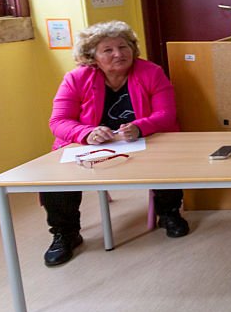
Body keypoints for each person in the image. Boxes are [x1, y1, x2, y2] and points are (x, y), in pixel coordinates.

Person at [45, 21, 188, 266]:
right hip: (88, 146)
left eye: (123, 47)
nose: (118, 54)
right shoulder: (76, 78)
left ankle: (169, 213)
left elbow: (166, 114)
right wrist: (86, 133)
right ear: (92, 57)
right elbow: (58, 121)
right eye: (108, 50)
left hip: (144, 140)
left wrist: (140, 126)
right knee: (55, 179)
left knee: (167, 160)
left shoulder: (150, 72)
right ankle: (66, 233)